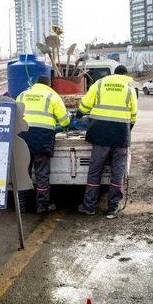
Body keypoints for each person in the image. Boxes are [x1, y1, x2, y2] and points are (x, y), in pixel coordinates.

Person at [75, 65, 137, 218]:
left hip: (100, 134)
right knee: (117, 173)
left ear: (114, 73)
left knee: (95, 171)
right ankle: (113, 208)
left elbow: (85, 104)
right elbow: (133, 115)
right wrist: (126, 131)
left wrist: (78, 115)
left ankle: (89, 207)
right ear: (125, 75)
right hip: (120, 136)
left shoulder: (100, 83)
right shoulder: (129, 88)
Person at [16, 75, 71, 214]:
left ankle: (21, 206)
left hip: (22, 138)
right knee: (42, 174)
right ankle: (42, 206)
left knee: (23, 173)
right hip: (42, 138)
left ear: (35, 83)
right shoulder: (53, 96)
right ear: (49, 84)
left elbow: (14, 116)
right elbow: (65, 122)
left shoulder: (23, 94)